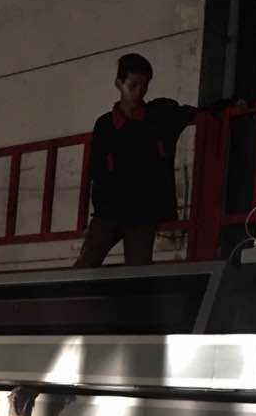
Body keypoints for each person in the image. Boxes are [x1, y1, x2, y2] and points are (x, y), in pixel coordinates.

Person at [75, 52, 198, 268]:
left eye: (144, 86)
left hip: (143, 212)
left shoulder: (159, 115)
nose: (139, 92)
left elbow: (197, 113)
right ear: (119, 84)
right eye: (133, 85)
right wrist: (101, 206)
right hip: (111, 211)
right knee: (86, 264)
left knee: (137, 270)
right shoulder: (105, 125)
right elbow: (97, 170)